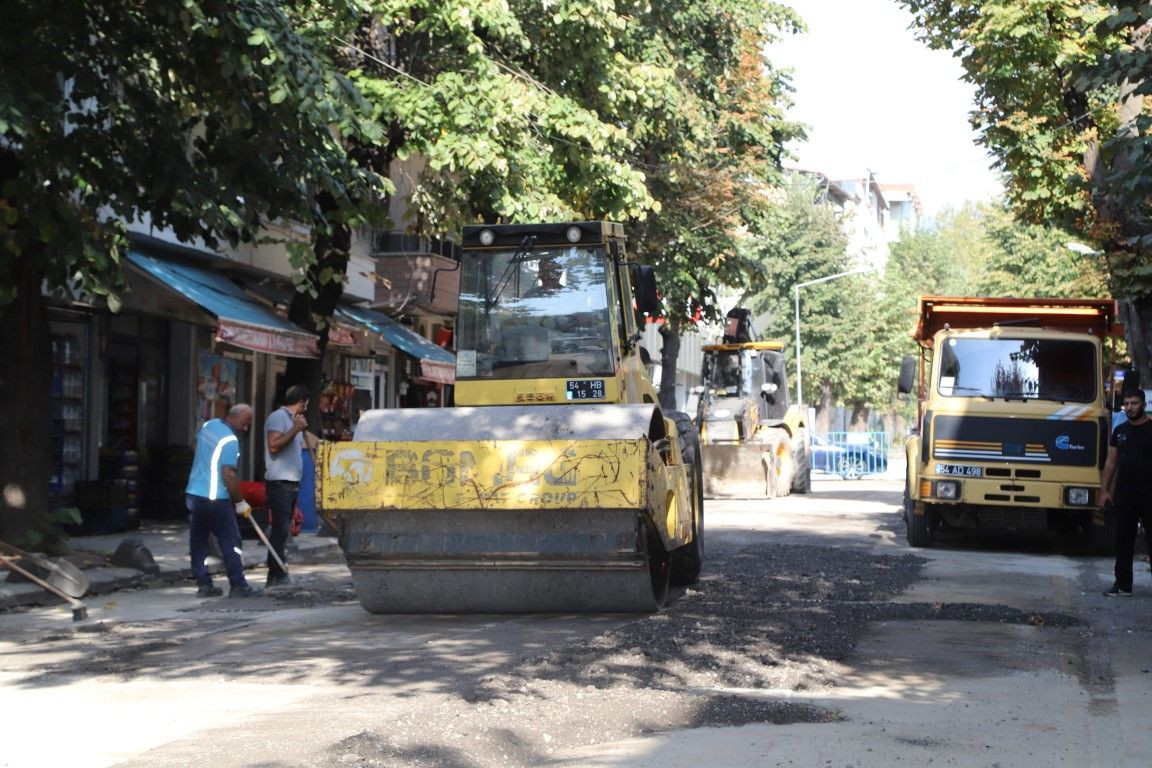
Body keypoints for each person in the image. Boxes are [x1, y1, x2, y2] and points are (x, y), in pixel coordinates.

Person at [185, 403, 262, 598]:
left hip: (194, 494)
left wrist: (206, 465)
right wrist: (239, 502)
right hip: (215, 498)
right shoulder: (230, 440)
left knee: (199, 542)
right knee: (231, 540)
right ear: (234, 418)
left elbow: (193, 446)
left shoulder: (208, 425)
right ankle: (238, 584)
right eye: (244, 424)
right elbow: (228, 475)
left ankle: (204, 584)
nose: (245, 428)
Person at [1099, 388, 1152, 596]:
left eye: (1134, 403)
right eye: (1127, 404)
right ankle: (1122, 585)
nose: (1130, 407)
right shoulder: (1119, 431)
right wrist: (1104, 491)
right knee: (1123, 541)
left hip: (1149, 494)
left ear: (1144, 405)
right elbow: (1110, 463)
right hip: (1125, 494)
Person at [263, 384, 310, 587]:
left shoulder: (294, 421)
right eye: (305, 404)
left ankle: (275, 573)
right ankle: (277, 572)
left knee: (284, 531)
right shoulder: (277, 417)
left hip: (291, 483)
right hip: (279, 483)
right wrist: (295, 429)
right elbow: (274, 445)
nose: (306, 408)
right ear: (301, 402)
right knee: (280, 529)